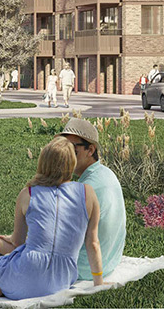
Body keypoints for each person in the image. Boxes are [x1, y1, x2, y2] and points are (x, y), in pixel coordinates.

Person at [0, 137, 105, 300]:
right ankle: (1, 288)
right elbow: (93, 243)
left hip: (25, 276)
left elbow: (17, 242)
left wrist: (7, 240)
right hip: (62, 280)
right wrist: (99, 283)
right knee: (17, 264)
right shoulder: (88, 193)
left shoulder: (28, 193)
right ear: (72, 163)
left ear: (43, 162)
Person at [60, 117, 127, 282]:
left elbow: (62, 237)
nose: (65, 156)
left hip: (85, 268)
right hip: (110, 261)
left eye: (72, 151)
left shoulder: (87, 188)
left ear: (90, 150)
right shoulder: (106, 174)